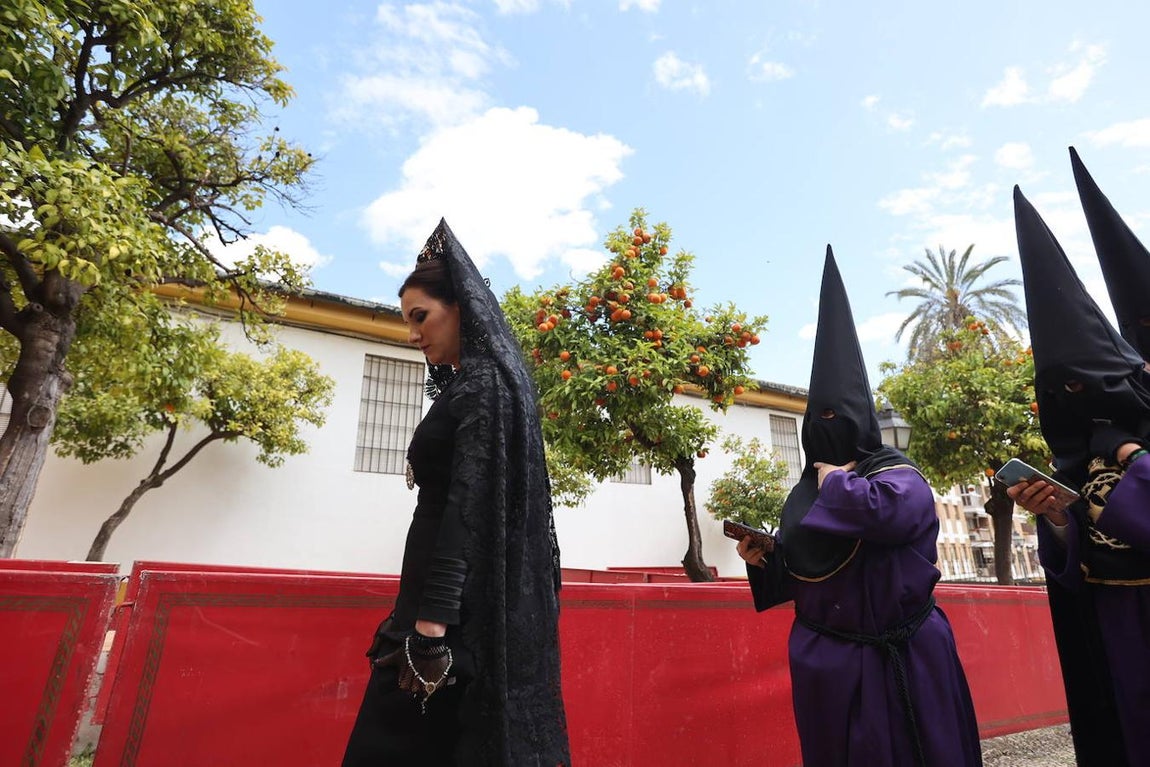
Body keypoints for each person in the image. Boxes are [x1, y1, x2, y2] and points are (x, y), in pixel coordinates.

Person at [734, 248, 982, 767]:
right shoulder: (805, 490)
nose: (825, 426)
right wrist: (769, 559)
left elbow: (889, 517)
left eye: (836, 415)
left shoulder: (896, 472)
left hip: (903, 661)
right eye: (816, 417)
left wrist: (835, 484)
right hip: (826, 665)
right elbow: (813, 569)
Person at [341, 220, 570, 767]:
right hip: (442, 612)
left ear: (461, 308)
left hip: (448, 624)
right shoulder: (478, 384)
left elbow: (466, 508)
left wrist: (430, 627)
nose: (413, 334)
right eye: (407, 322)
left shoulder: (482, 385)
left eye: (421, 317)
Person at [1007, 186, 1150, 767]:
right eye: (1062, 388)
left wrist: (1131, 453)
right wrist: (1057, 519)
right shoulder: (1080, 452)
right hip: (1116, 634)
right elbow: (1078, 566)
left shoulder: (1121, 441)